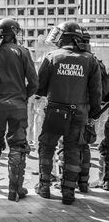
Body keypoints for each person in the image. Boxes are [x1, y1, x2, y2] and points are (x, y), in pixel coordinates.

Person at [35, 21, 101, 205]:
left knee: (46, 147)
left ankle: (44, 186)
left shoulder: (52, 57)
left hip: (55, 110)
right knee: (73, 150)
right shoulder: (90, 60)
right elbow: (96, 91)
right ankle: (68, 192)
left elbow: (40, 88)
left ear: (65, 37)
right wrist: (93, 115)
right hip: (79, 112)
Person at [0, 18, 38, 201]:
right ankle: (14, 189)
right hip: (18, 105)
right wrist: (24, 95)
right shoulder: (23, 52)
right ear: (13, 33)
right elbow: (34, 82)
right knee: (18, 146)